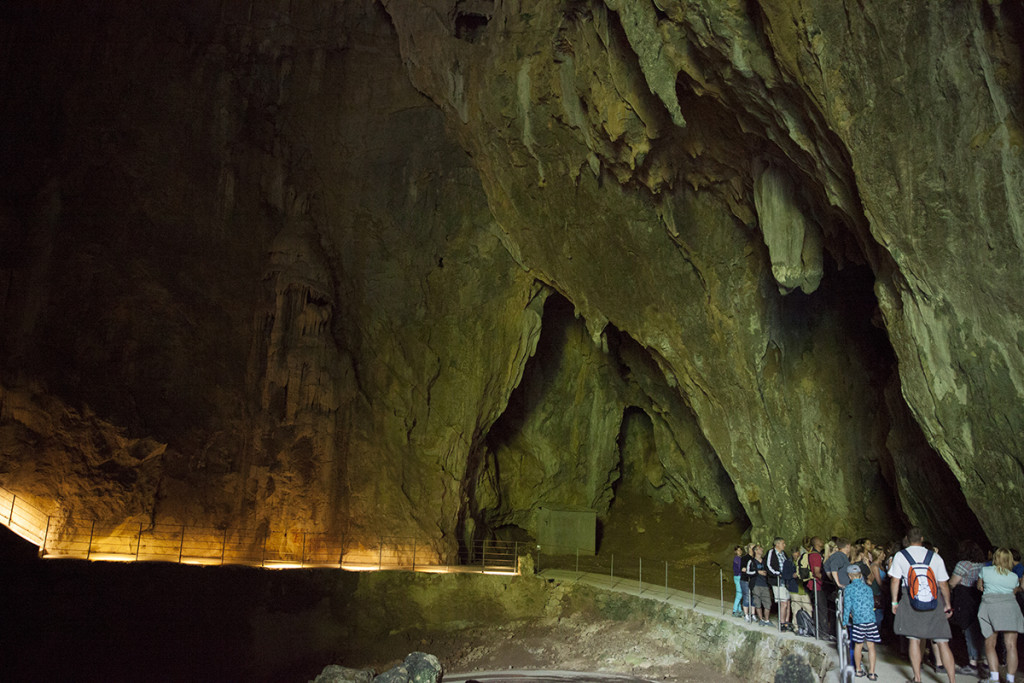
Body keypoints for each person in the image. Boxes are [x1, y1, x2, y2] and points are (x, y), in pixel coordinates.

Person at [889, 527, 956, 683]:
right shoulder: (934, 557)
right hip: (934, 600)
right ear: (922, 539)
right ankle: (952, 680)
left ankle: (917, 679)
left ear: (907, 539)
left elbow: (895, 580)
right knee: (942, 642)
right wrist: (947, 604)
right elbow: (943, 584)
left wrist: (894, 601)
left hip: (911, 599)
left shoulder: (901, 556)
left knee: (914, 640)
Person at [977, 547, 1024, 683]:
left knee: (990, 643)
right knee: (1011, 645)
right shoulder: (1013, 576)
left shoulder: (985, 571)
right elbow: (1014, 590)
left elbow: (980, 587)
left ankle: (994, 678)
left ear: (995, 558)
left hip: (990, 607)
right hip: (1010, 607)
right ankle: (1010, 679)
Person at [949, 539, 987, 676]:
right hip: (978, 597)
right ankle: (982, 660)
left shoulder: (963, 565)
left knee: (968, 630)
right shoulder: (983, 565)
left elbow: (952, 583)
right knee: (980, 630)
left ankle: (972, 664)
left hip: (964, 599)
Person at [843, 564, 880, 680]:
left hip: (858, 621)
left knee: (858, 645)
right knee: (871, 646)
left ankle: (858, 670)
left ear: (849, 576)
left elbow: (847, 606)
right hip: (870, 620)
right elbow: (872, 605)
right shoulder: (868, 589)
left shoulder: (848, 589)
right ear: (860, 575)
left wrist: (844, 621)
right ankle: (872, 673)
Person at [766, 537, 791, 630]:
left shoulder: (783, 553)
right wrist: (778, 574)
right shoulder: (771, 552)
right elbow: (768, 565)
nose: (784, 545)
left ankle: (787, 622)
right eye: (783, 543)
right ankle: (782, 623)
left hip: (786, 581)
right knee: (783, 603)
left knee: (788, 602)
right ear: (777, 544)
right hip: (777, 581)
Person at [746, 544, 773, 626]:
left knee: (767, 603)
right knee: (757, 603)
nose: (762, 550)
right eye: (760, 549)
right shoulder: (751, 562)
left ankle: (767, 620)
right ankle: (761, 619)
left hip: (765, 584)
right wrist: (757, 572)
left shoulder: (765, 561)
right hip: (756, 584)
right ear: (756, 551)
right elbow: (747, 572)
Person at [732, 545, 744, 617]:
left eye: (740, 550)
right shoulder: (737, 558)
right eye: (738, 550)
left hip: (738, 576)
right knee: (739, 593)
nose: (740, 551)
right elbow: (739, 568)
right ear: (735, 551)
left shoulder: (739, 558)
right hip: (738, 576)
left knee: (738, 593)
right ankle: (734, 610)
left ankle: (739, 610)